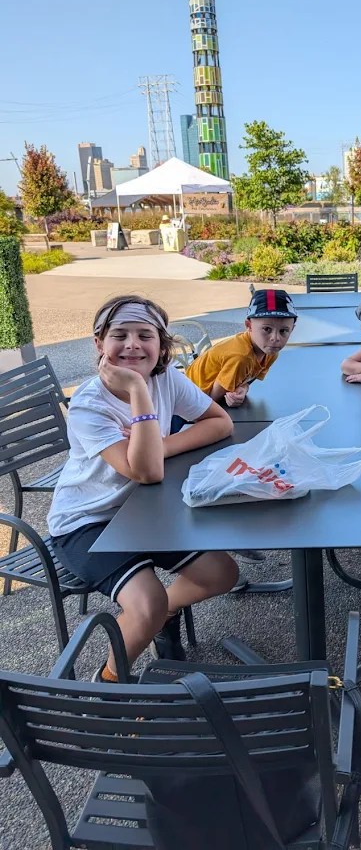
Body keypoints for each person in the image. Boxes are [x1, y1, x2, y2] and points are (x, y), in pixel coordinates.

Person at [47, 295, 240, 682]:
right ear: (99, 344)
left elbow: (221, 423)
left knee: (222, 573)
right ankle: (109, 681)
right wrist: (137, 390)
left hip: (143, 510)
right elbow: (146, 472)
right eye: (120, 335)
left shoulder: (167, 378)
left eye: (145, 335)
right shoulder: (89, 403)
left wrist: (157, 445)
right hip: (87, 522)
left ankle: (163, 616)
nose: (132, 344)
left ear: (161, 345)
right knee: (146, 601)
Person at [186, 289, 297, 407]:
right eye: (267, 329)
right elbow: (211, 401)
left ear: (292, 329)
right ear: (249, 326)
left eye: (283, 331)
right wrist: (231, 401)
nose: (275, 338)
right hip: (188, 403)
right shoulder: (241, 358)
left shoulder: (270, 353)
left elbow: (249, 379)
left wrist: (243, 388)